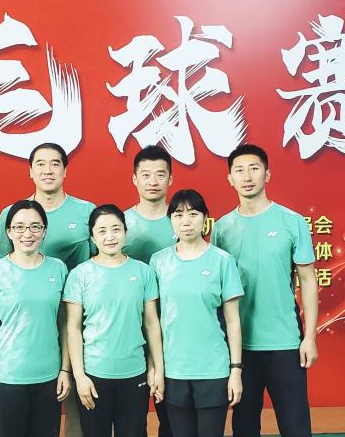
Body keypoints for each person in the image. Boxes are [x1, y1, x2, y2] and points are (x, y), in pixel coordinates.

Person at [211, 144, 318, 437]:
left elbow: (308, 280)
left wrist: (310, 337)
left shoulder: (292, 221)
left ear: (267, 174)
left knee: (295, 426)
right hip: (240, 346)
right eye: (239, 170)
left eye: (254, 169)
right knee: (244, 426)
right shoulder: (221, 228)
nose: (247, 177)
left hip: (285, 341)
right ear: (230, 179)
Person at [0, 143, 95, 436]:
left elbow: (98, 263)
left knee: (77, 402)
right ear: (30, 171)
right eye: (40, 164)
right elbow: (3, 270)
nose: (48, 170)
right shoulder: (12, 214)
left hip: (78, 321)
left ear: (65, 170)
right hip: (28, 328)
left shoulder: (86, 211)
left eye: (55, 163)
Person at [0, 200, 71, 437]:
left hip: (49, 377)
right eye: (19, 227)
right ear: (8, 232)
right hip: (7, 378)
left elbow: (65, 324)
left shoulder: (58, 269)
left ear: (44, 231)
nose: (28, 233)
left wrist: (65, 370)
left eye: (35, 226)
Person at [150, 189, 244, 437]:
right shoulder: (158, 262)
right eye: (178, 215)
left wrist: (236, 369)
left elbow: (233, 321)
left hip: (213, 369)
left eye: (193, 214)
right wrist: (155, 368)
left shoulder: (222, 261)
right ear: (170, 220)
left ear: (205, 218)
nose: (186, 221)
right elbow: (152, 321)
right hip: (173, 369)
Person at [64, 205, 163, 437]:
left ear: (125, 232)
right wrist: (79, 376)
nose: (110, 237)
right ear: (92, 237)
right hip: (93, 375)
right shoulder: (80, 274)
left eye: (116, 229)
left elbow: (151, 324)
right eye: (102, 231)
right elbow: (73, 329)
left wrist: (157, 368)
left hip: (134, 373)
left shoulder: (143, 272)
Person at [123, 145, 177, 437]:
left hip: (172, 327)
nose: (153, 181)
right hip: (128, 330)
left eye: (160, 174)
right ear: (134, 179)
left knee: (171, 412)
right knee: (132, 419)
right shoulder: (119, 225)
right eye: (145, 175)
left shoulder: (183, 221)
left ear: (171, 179)